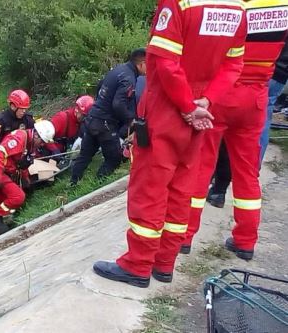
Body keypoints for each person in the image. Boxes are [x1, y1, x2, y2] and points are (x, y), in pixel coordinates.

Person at [92, 0, 247, 288]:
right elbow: (233, 64)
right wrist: (207, 100)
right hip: (200, 108)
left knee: (150, 187)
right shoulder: (236, 8)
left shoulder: (178, 4)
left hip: (167, 108)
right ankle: (164, 263)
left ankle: (137, 265)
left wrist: (187, 106)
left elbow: (165, 62)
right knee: (181, 187)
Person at [182, 0, 288, 260]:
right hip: (256, 97)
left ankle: (184, 237)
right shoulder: (282, 6)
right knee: (247, 173)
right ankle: (246, 241)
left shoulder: (236, 6)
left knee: (201, 166)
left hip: (222, 92)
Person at [70, 48, 147, 185]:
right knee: (114, 159)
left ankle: (72, 184)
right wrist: (130, 119)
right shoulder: (128, 78)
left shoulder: (118, 70)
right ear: (141, 64)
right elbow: (118, 104)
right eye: (149, 65)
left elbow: (100, 88)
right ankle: (98, 183)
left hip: (93, 117)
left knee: (85, 156)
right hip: (105, 123)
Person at [0, 120, 55, 241]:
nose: (42, 145)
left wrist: (25, 178)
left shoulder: (30, 144)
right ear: (36, 135)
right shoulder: (19, 138)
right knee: (18, 197)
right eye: (42, 141)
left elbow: (21, 163)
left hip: (6, 173)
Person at [0, 89, 35, 225]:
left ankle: (14, 216)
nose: (23, 112)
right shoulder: (0, 120)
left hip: (16, 159)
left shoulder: (27, 120)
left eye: (25, 109)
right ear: (12, 105)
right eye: (21, 109)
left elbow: (31, 139)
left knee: (19, 188)